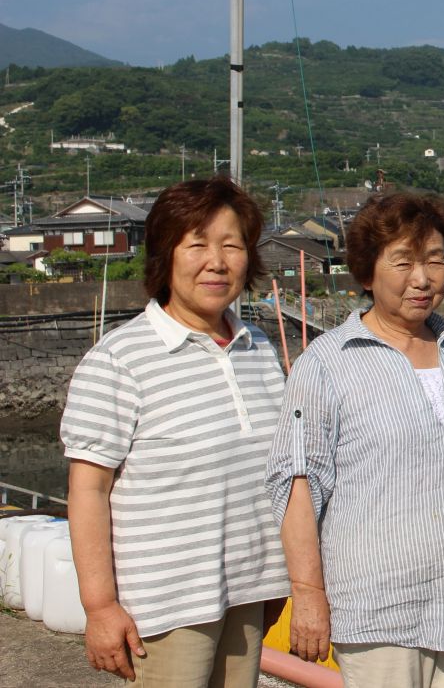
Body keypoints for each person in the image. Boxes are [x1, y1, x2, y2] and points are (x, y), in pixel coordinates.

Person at [265, 192, 444, 688]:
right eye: (403, 261)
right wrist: (307, 593)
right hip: (378, 607)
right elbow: (298, 486)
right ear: (367, 271)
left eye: (435, 260)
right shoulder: (326, 363)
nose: (422, 278)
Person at [61, 176, 290, 686]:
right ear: (165, 256)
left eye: (232, 245)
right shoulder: (119, 360)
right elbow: (88, 490)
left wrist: (281, 576)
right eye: (197, 245)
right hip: (164, 606)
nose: (217, 262)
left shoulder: (258, 347)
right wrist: (100, 607)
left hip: (249, 591)